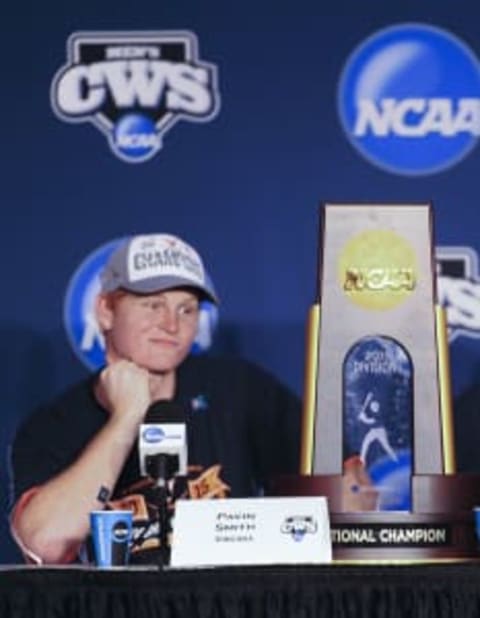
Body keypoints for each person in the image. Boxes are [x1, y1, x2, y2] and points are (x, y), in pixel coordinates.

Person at [9, 233, 301, 565]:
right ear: (105, 310)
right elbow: (45, 544)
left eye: (187, 309)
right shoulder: (56, 423)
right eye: (153, 305)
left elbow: (330, 500)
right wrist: (126, 418)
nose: (171, 324)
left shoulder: (239, 389)